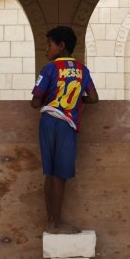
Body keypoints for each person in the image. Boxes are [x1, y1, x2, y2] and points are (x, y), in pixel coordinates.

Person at [30, 26, 99, 234]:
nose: (46, 49)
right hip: (67, 124)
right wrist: (77, 100)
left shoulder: (49, 69)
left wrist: (51, 99)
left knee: (50, 174)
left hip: (48, 122)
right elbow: (94, 98)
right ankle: (56, 224)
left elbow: (35, 102)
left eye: (49, 44)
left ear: (61, 46)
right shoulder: (82, 70)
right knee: (61, 176)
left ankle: (51, 222)